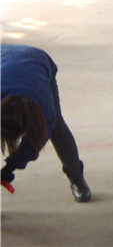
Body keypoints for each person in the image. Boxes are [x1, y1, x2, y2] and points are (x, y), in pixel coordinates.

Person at [1, 44, 92, 203]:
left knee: (57, 127)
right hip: (5, 58)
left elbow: (35, 141)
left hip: (36, 60)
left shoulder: (45, 110)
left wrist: (10, 166)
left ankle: (77, 180)